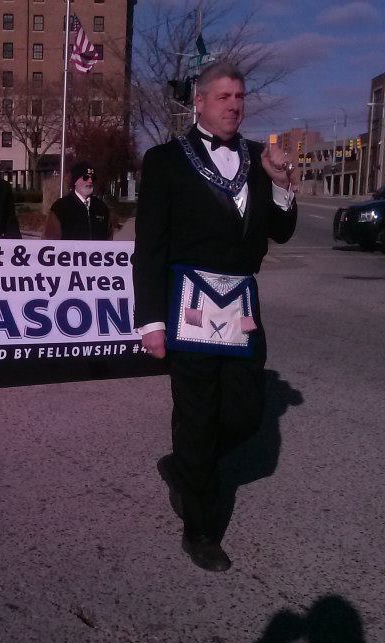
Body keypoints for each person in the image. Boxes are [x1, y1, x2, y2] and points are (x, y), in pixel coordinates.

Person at [132, 62, 298, 572]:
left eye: (240, 97)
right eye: (223, 96)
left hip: (242, 306)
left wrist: (282, 183)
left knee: (246, 415)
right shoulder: (165, 161)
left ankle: (185, 465)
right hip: (190, 306)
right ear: (199, 102)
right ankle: (200, 530)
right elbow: (149, 245)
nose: (234, 105)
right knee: (198, 417)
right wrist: (151, 321)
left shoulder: (257, 158)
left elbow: (281, 231)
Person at [43, 161, 113, 240]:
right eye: (85, 178)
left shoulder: (101, 208)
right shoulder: (60, 207)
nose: (90, 181)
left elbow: (109, 238)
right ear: (75, 181)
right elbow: (49, 240)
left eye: (93, 178)